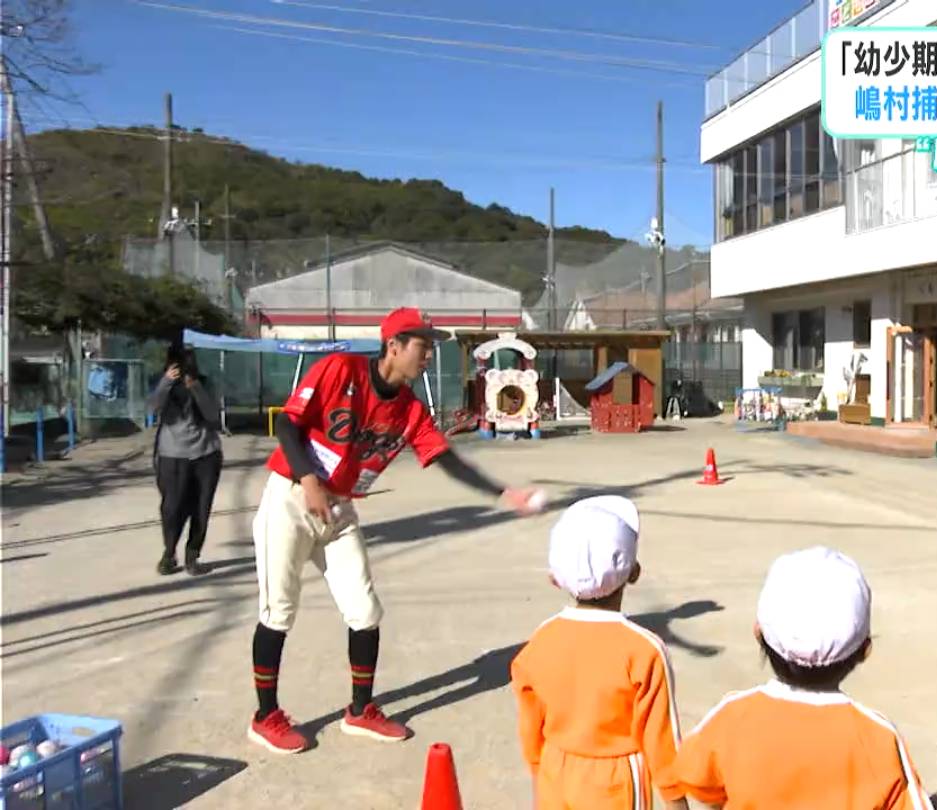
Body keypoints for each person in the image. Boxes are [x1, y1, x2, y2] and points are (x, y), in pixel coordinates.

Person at [247, 307, 545, 755]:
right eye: (423, 346)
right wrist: (308, 480)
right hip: (291, 496)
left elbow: (445, 459)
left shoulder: (410, 410)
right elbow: (289, 422)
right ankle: (265, 716)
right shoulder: (340, 369)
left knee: (365, 611)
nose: (429, 356)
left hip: (339, 508)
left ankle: (360, 710)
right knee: (278, 611)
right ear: (393, 346)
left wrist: (504, 493)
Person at [670, 546, 933, 809]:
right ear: (865, 650)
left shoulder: (732, 717)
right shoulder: (878, 738)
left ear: (758, 633)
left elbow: (695, 778)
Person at [510, 496, 689, 810]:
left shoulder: (539, 642)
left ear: (555, 579)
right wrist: (677, 802)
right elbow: (661, 742)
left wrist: (541, 776)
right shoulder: (644, 651)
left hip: (554, 770)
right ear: (634, 572)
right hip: (616, 784)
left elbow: (530, 729)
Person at [147, 346, 223, 576]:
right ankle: (169, 553)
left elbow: (212, 414)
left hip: (206, 453)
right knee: (172, 508)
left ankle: (193, 556)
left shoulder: (204, 383)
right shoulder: (162, 383)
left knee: (200, 508)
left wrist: (195, 387)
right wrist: (166, 382)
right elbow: (152, 407)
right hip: (173, 455)